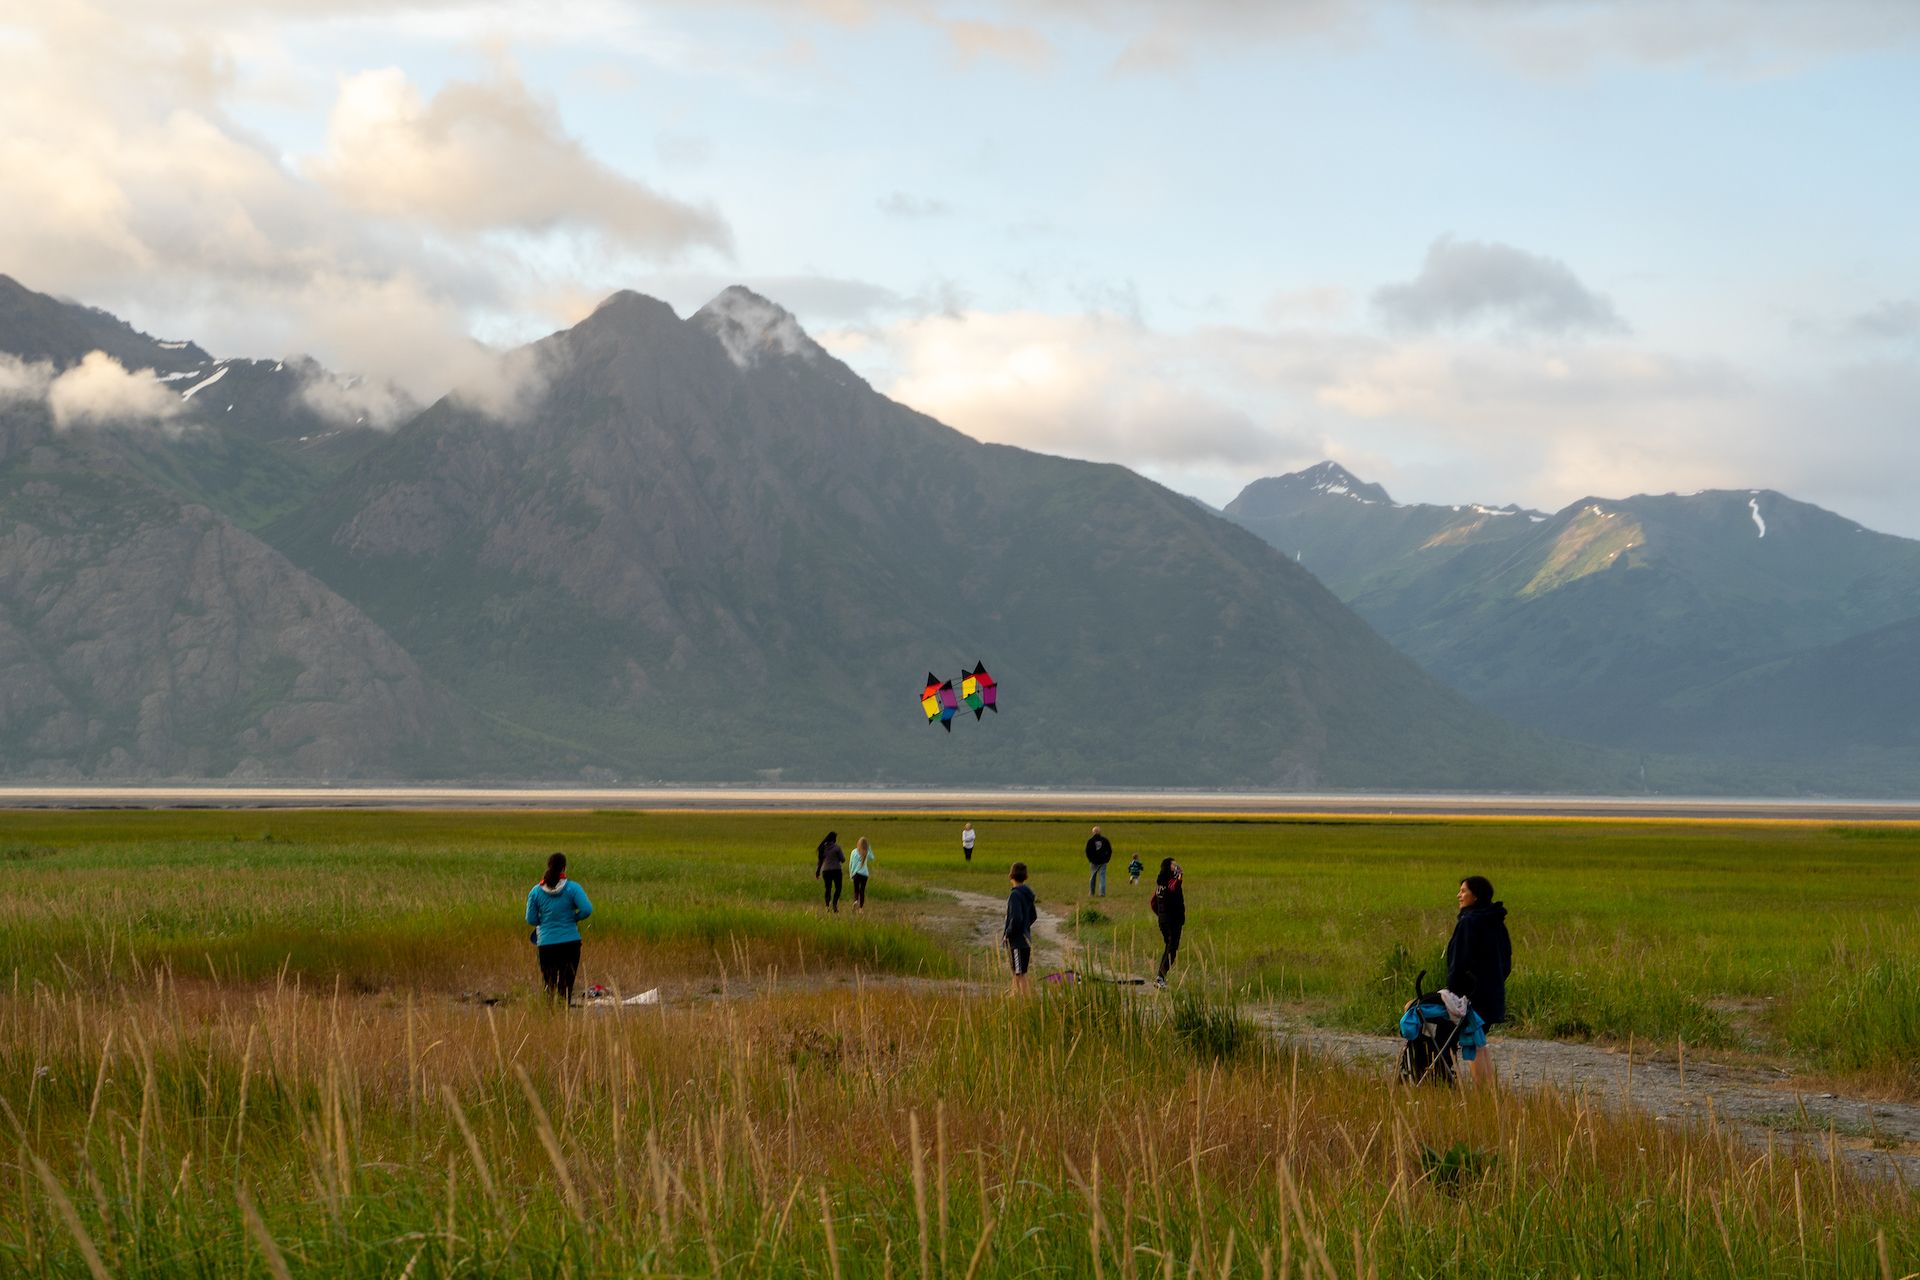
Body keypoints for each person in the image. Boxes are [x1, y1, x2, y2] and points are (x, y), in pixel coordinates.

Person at [1444, 875, 1512, 1086]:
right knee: (1479, 1041)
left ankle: (1482, 1092)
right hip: (1493, 994)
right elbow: (1506, 959)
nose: (1459, 895)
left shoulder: (1469, 923)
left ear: (1476, 896)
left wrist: (1453, 993)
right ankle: (1489, 1091)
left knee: (1472, 1042)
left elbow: (1458, 963)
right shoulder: (1496, 922)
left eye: (1463, 891)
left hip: (1472, 995)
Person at [526, 852, 593, 1005]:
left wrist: (542, 922)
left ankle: (550, 1017)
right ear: (564, 868)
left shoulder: (535, 892)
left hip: (546, 944)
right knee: (566, 985)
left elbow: (530, 919)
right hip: (570, 943)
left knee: (549, 984)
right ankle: (565, 1016)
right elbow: (587, 909)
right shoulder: (572, 888)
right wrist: (574, 918)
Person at [1004, 862, 1037, 996]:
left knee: (1020, 973)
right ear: (1025, 877)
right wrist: (1025, 927)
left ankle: (1025, 999)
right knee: (1017, 970)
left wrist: (1008, 932)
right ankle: (1013, 994)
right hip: (1025, 939)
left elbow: (1016, 918)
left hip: (1017, 940)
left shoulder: (1015, 895)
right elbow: (1033, 915)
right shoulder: (1027, 894)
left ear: (1011, 876)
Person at [1150, 857, 1184, 987]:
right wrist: (1180, 877)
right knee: (1172, 949)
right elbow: (1174, 887)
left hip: (1163, 920)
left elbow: (1153, 903)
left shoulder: (1160, 885)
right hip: (1173, 921)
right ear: (1168, 868)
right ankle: (1160, 977)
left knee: (1168, 947)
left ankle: (1160, 976)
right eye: (1173, 865)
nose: (1176, 867)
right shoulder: (1171, 882)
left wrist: (1161, 915)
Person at [816, 831, 845, 913]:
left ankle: (827, 906)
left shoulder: (823, 848)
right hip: (836, 870)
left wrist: (817, 872)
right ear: (834, 839)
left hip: (826, 871)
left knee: (828, 888)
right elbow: (843, 860)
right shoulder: (837, 847)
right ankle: (834, 904)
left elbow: (820, 862)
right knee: (838, 888)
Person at [1084, 826, 1113, 897]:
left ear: (1093, 832)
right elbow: (1109, 850)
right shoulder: (1105, 840)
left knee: (1093, 877)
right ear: (1100, 832)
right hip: (1103, 861)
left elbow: (1087, 852)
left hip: (1093, 862)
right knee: (1102, 877)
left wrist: (1090, 860)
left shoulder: (1090, 841)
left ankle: (1091, 893)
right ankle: (1102, 893)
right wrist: (1107, 859)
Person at [849, 836, 874, 910]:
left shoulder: (854, 851)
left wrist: (851, 874)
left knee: (856, 890)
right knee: (862, 891)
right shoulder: (867, 852)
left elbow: (851, 863)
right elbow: (872, 858)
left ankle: (856, 901)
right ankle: (861, 908)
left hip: (856, 874)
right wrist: (869, 848)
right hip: (865, 874)